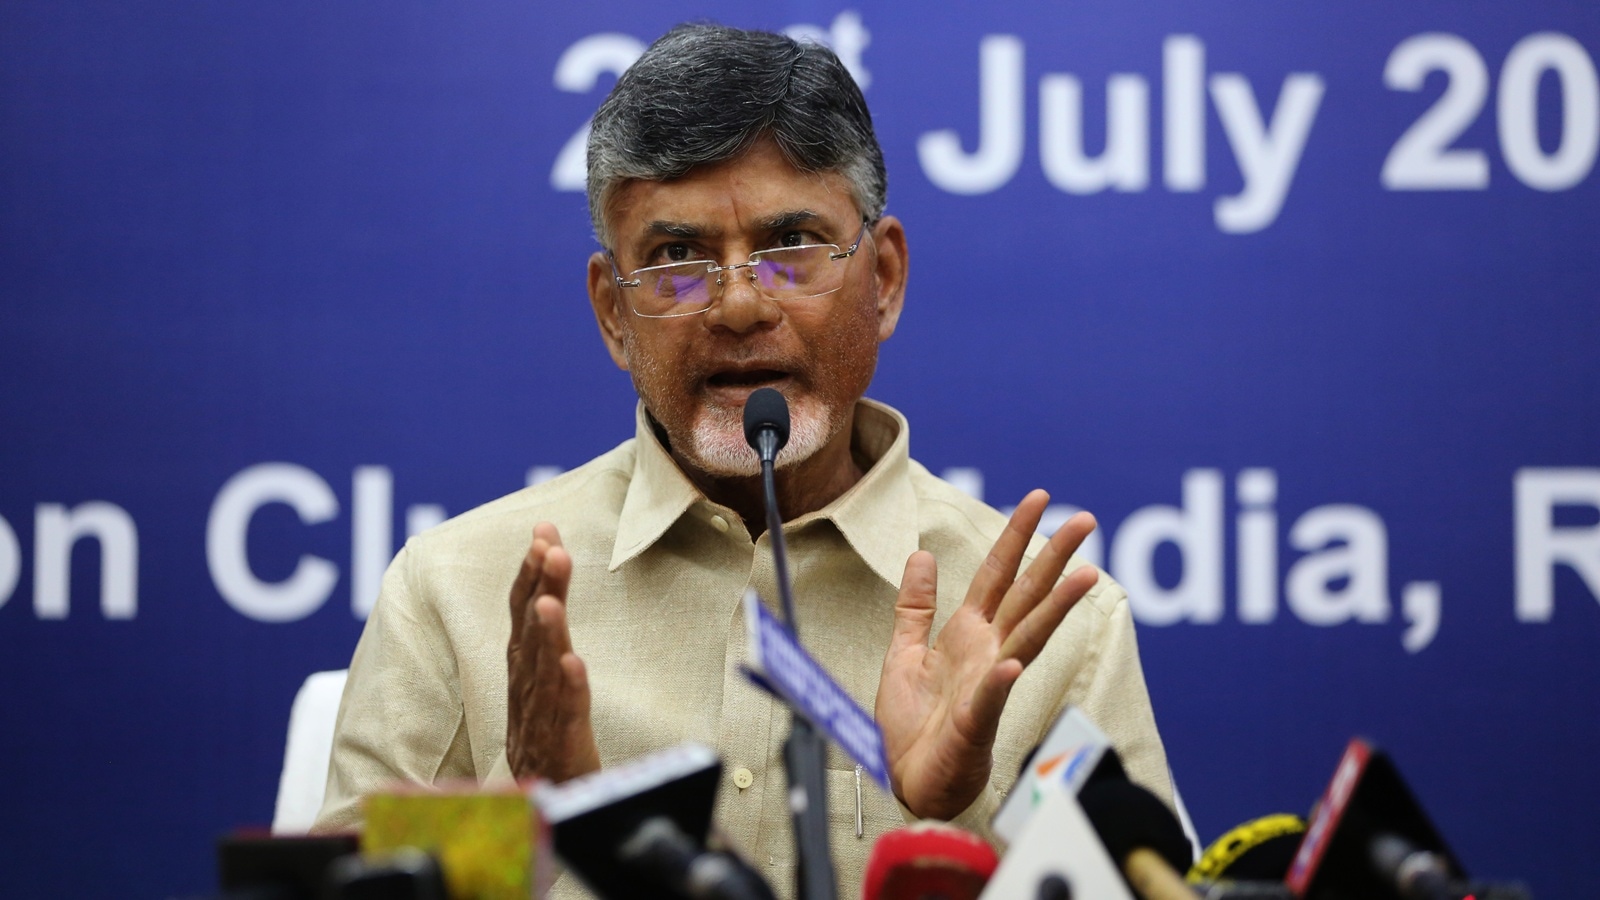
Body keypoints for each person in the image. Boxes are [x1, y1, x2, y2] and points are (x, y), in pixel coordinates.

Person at [314, 22, 1173, 897]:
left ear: (883, 279)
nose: (737, 305)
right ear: (613, 314)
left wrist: (951, 814)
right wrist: (532, 820)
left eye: (791, 244)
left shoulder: (1051, 631)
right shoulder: (457, 592)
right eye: (676, 258)